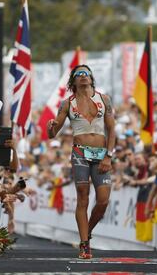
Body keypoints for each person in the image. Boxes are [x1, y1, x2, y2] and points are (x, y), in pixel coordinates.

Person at [47, 64, 116, 259]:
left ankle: (88, 231)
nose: (84, 76)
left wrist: (109, 155)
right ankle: (84, 243)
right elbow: (53, 133)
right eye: (79, 74)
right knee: (83, 197)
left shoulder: (104, 99)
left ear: (92, 78)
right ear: (74, 81)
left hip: (101, 153)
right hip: (80, 153)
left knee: (103, 201)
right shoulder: (68, 103)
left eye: (87, 74)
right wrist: (50, 127)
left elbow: (112, 129)